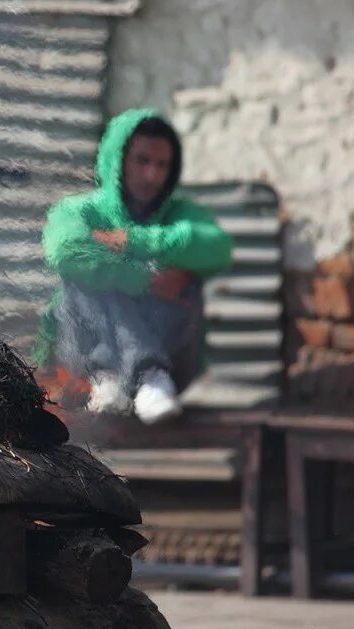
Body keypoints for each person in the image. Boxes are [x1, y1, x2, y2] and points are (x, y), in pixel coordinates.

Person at [34, 109, 233, 424]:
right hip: (83, 368)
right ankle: (128, 374)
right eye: (142, 161)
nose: (152, 175)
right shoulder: (79, 211)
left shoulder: (182, 214)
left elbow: (218, 248)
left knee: (187, 282)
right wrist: (144, 277)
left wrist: (134, 241)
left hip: (172, 365)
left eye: (162, 165)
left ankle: (145, 377)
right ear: (118, 161)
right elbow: (65, 250)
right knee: (82, 276)